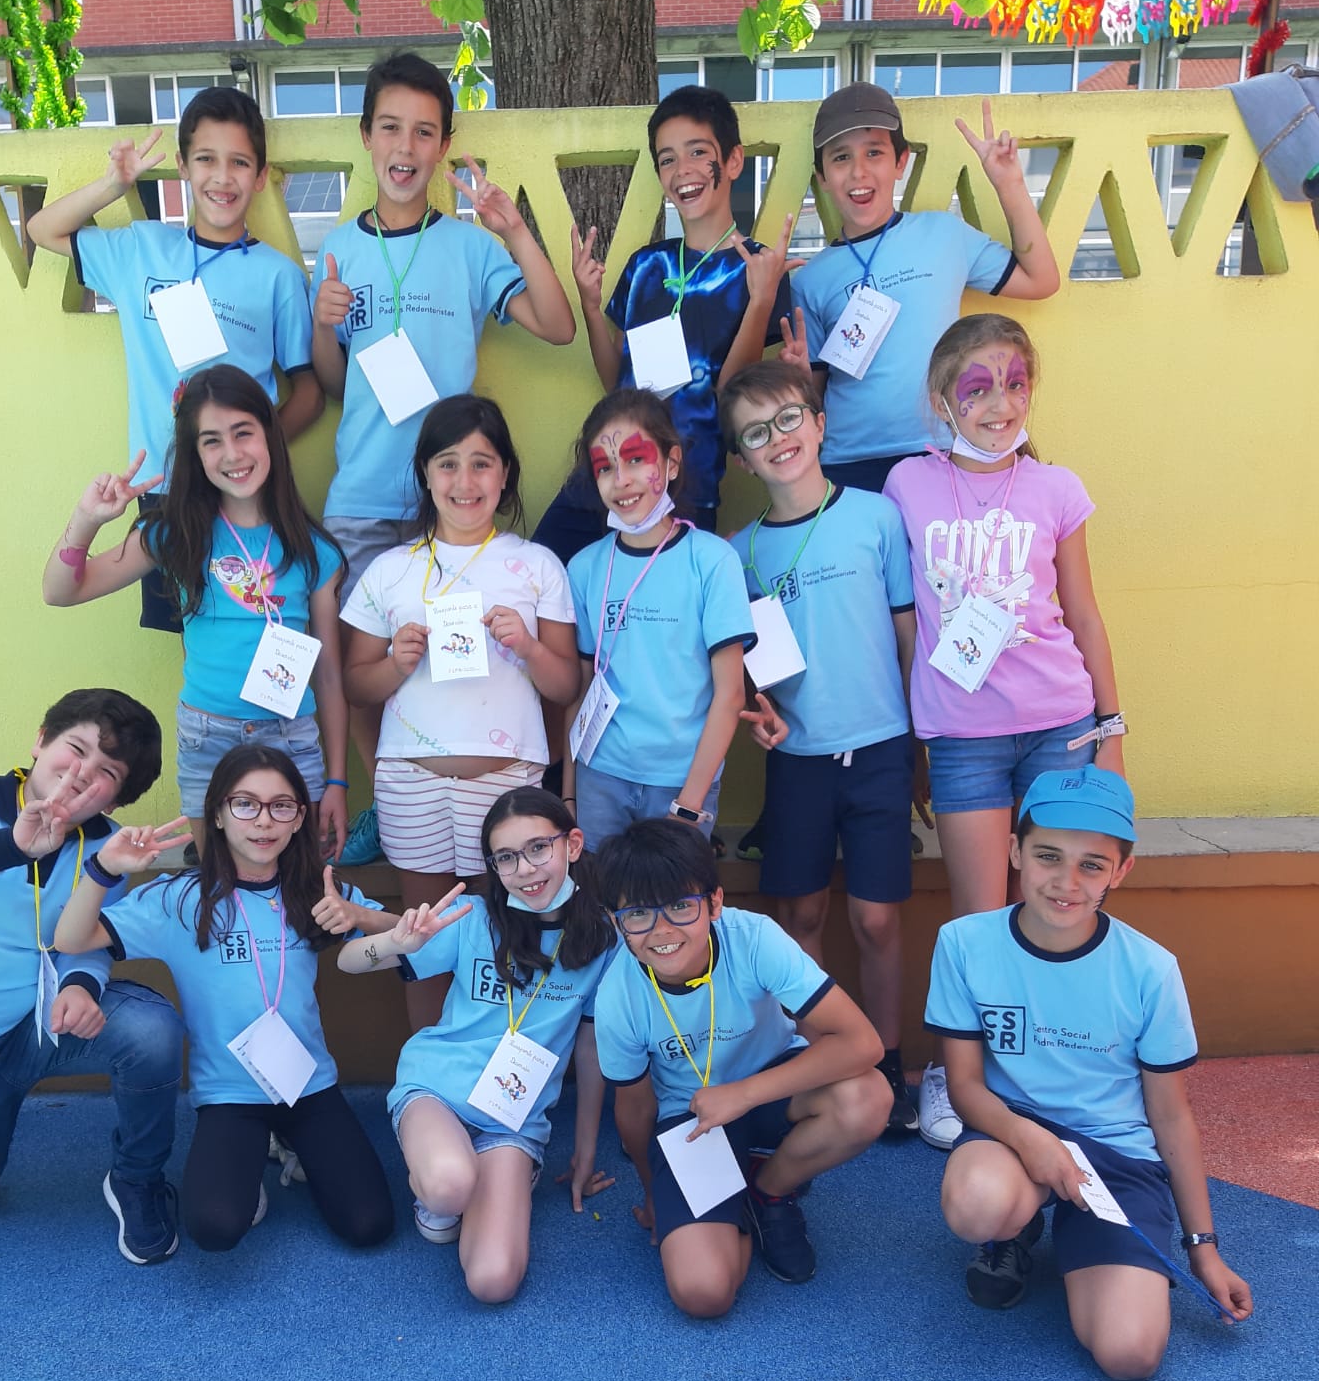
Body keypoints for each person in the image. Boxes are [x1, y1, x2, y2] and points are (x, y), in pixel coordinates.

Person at [312, 52, 576, 857]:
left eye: (425, 132)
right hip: (364, 494)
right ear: (366, 136)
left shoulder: (466, 247)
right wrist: (325, 325)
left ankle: (484, 798)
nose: (406, 146)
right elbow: (333, 385)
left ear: (444, 146)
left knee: (460, 655)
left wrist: (514, 231)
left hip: (454, 502)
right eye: (391, 127)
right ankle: (381, 794)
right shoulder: (337, 250)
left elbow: (557, 325)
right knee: (360, 660)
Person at [883, 314, 1126, 1152]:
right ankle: (955, 1074)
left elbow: (1084, 614)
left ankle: (1040, 1078)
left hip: (1061, 726)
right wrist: (913, 740)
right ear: (942, 398)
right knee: (980, 920)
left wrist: (1112, 731)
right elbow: (901, 621)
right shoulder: (907, 485)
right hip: (963, 739)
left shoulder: (1056, 488)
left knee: (1056, 911)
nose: (1000, 403)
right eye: (979, 388)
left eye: (1016, 384)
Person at [926, 769, 1252, 1377]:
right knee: (979, 1203)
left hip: (1116, 1156)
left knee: (1130, 1356)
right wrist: (1032, 1142)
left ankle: (1088, 1232)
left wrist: (1203, 1248)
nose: (1066, 882)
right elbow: (964, 1086)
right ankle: (1013, 1230)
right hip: (1013, 1135)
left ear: (1120, 872)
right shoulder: (964, 943)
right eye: (1047, 855)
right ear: (1015, 851)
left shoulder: (1151, 969)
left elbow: (1170, 1116)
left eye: (1092, 865)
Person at [53, 746, 397, 1257]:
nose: (264, 821)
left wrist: (361, 917)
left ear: (299, 818)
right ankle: (252, 1157)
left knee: (370, 1225)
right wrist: (103, 870)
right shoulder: (179, 899)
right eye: (245, 804)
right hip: (230, 1093)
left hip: (307, 1083)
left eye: (282, 806)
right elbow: (71, 939)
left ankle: (291, 1143)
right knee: (215, 1227)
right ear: (217, 813)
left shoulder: (318, 889)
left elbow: (401, 936)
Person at [0, 689, 184, 1264]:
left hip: (42, 1026)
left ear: (118, 797)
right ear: (41, 741)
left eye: (107, 773)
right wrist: (12, 844)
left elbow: (85, 942)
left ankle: (138, 1177)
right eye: (76, 748)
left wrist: (81, 986)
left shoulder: (108, 848)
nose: (82, 774)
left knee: (152, 1031)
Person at [27, 86, 320, 632]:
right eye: (206, 159)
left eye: (239, 163)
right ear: (183, 166)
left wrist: (241, 451)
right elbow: (42, 229)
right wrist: (113, 185)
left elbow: (308, 392)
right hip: (163, 490)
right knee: (191, 630)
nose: (222, 177)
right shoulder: (140, 250)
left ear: (261, 176)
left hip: (244, 490)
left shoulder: (278, 276)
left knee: (262, 626)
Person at [718, 359, 921, 1137]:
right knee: (799, 910)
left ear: (820, 422)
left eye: (789, 418)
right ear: (741, 459)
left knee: (876, 921)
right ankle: (817, 1064)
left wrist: (920, 743)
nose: (778, 439)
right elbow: (745, 669)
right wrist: (758, 710)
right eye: (755, 433)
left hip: (880, 750)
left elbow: (908, 635)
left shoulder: (877, 518)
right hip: (796, 761)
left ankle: (888, 1065)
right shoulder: (737, 554)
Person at [340, 395, 581, 1028]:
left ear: (505, 474)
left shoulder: (536, 565)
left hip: (509, 784)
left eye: (481, 463)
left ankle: (502, 1068)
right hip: (411, 782)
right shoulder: (390, 571)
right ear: (425, 473)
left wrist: (528, 646)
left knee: (508, 939)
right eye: (447, 463)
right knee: (423, 942)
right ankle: (429, 1065)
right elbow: (355, 686)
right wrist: (395, 663)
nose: (464, 480)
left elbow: (565, 686)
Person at [42, 364, 349, 862]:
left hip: (291, 737)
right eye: (211, 441)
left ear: (269, 435)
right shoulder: (174, 533)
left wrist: (337, 780)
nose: (232, 454)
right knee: (219, 882)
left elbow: (330, 674)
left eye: (243, 432)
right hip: (209, 736)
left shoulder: (315, 551)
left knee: (297, 885)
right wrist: (86, 520)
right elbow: (61, 592)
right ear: (194, 453)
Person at [594, 818, 891, 1316]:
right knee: (704, 1293)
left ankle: (769, 1190)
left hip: (773, 1084)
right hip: (690, 1118)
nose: (661, 930)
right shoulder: (616, 995)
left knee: (868, 1097)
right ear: (615, 920)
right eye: (638, 913)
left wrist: (744, 1094)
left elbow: (862, 1043)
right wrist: (654, 1192)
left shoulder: (754, 938)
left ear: (714, 902)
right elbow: (634, 1109)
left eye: (680, 906)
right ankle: (730, 1198)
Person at [337, 788, 616, 1300]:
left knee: (493, 1282)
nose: (525, 870)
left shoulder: (603, 938)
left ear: (572, 844)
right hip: (437, 1091)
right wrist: (396, 942)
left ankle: (492, 1177)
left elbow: (590, 1047)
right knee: (448, 1188)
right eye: (505, 857)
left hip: (512, 1118)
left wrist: (584, 1149)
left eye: (538, 848)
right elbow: (349, 962)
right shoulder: (473, 916)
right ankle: (440, 1187)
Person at [534, 84, 797, 562]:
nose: (683, 171)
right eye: (668, 159)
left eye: (698, 152)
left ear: (733, 161)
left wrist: (761, 300)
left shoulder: (760, 268)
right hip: (610, 468)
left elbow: (733, 398)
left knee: (658, 602)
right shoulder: (646, 265)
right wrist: (591, 306)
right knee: (544, 567)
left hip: (686, 483)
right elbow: (616, 382)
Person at [786, 85, 1060, 496]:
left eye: (874, 153)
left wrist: (1009, 183)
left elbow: (1041, 280)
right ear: (822, 177)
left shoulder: (944, 234)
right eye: (841, 157)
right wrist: (796, 379)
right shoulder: (811, 279)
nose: (859, 172)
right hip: (849, 465)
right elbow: (815, 394)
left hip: (942, 452)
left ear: (901, 162)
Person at [564, 390, 754, 851]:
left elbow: (730, 695)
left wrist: (689, 804)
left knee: (672, 897)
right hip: (600, 777)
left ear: (671, 463)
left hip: (681, 782)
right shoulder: (585, 567)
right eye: (604, 467)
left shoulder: (712, 560)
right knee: (602, 895)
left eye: (635, 459)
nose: (621, 480)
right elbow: (582, 687)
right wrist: (569, 793)